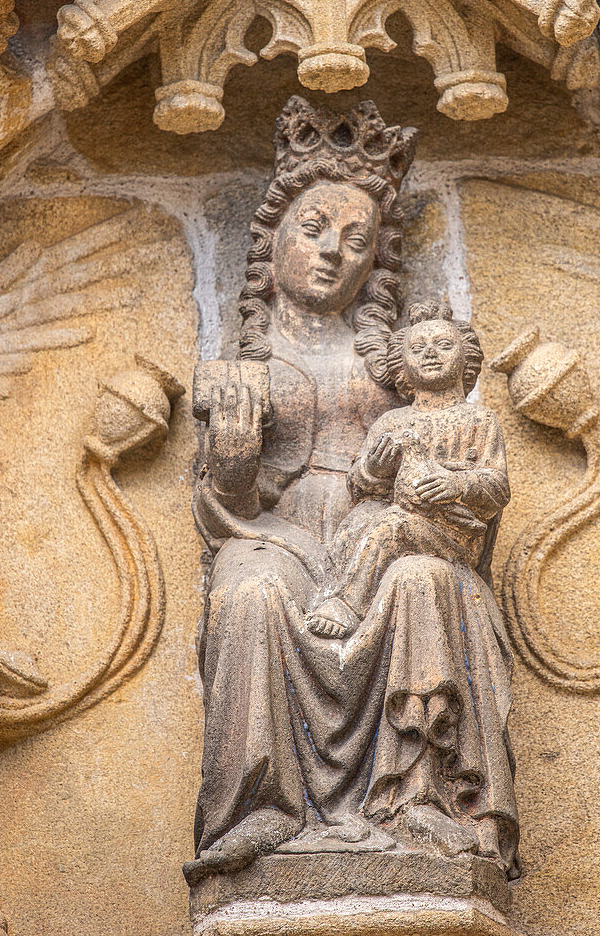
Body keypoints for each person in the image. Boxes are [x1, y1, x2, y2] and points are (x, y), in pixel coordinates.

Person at [186, 97, 519, 882]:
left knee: (423, 579)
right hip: (281, 532)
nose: (333, 253)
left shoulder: (397, 361)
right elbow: (226, 498)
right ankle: (260, 809)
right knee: (249, 592)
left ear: (378, 261)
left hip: (387, 525)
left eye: (356, 240)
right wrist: (233, 453)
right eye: (313, 231)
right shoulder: (245, 366)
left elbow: (454, 455)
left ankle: (420, 804)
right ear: (273, 244)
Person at [308, 301, 509, 640]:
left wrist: (456, 484)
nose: (430, 353)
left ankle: (347, 603)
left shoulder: (478, 419)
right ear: (402, 363)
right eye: (418, 348)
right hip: (399, 515)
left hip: (454, 530)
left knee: (391, 526)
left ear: (467, 359)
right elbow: (358, 486)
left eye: (444, 345)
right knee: (361, 522)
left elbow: (497, 486)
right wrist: (375, 469)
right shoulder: (391, 421)